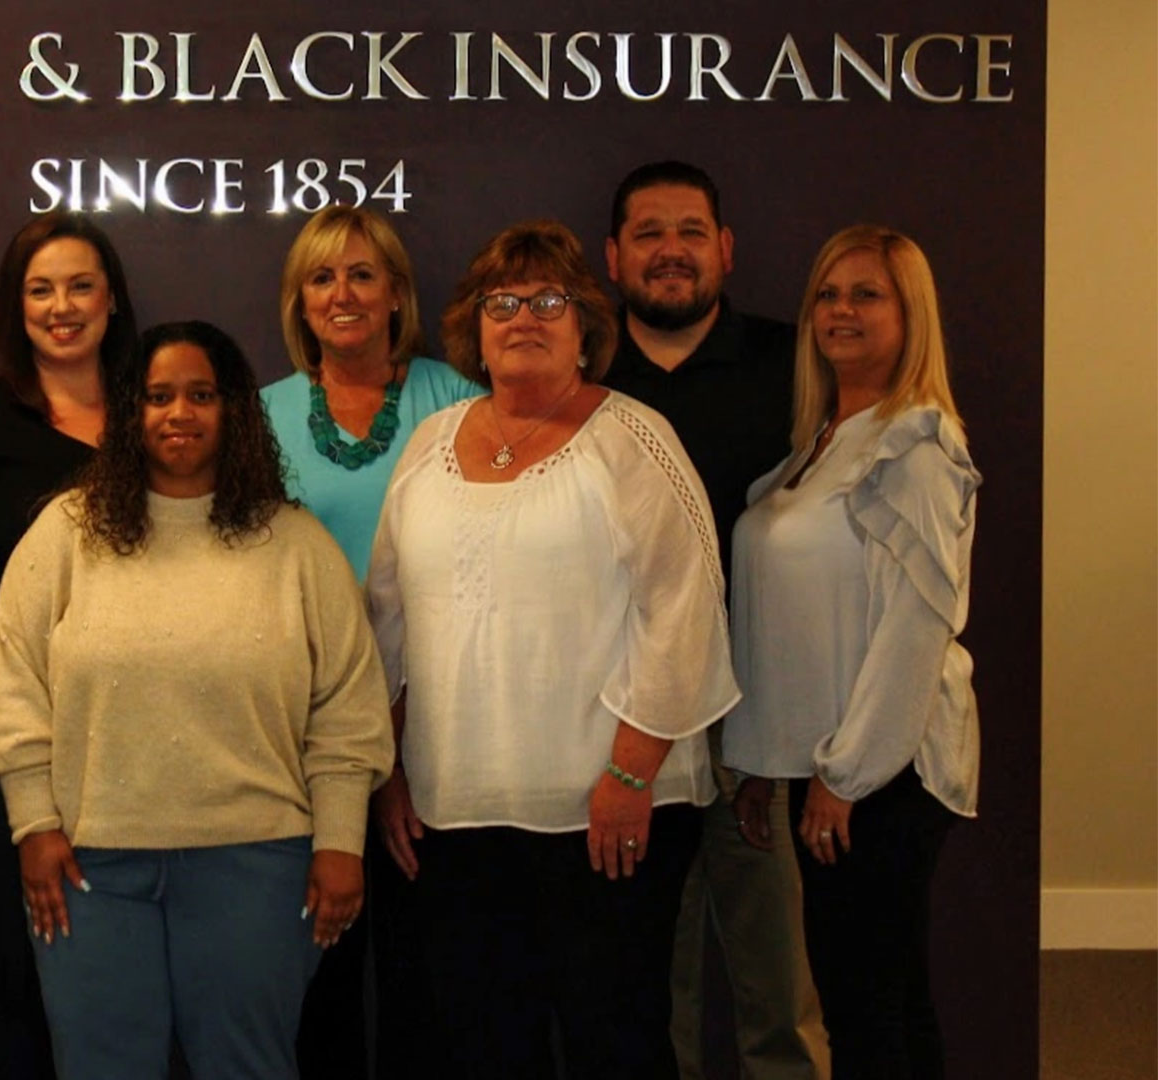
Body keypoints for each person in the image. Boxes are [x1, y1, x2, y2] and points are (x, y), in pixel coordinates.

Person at [368, 220, 737, 1078]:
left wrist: (631, 776)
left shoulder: (632, 437)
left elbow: (684, 612)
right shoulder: (429, 445)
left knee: (616, 1044)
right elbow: (387, 617)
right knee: (486, 1048)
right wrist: (389, 769)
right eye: (502, 302)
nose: (523, 318)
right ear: (474, 325)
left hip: (606, 814)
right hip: (454, 814)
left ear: (585, 325)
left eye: (547, 300)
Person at [0, 320, 395, 1080]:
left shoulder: (294, 543)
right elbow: (11, 680)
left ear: (234, 409)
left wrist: (342, 837)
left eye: (202, 395)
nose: (180, 413)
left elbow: (347, 705)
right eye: (158, 396)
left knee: (248, 1067)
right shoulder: (67, 533)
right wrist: (33, 821)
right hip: (90, 867)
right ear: (128, 412)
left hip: (257, 864)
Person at [723, 226, 979, 1080]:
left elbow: (915, 630)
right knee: (873, 996)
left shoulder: (915, 445)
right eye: (828, 295)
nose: (841, 310)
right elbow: (789, 623)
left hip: (885, 773)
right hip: (830, 768)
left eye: (867, 294)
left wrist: (848, 776)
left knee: (872, 1007)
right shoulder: (826, 442)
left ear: (911, 316)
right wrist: (764, 762)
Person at [600, 161, 826, 1080]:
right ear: (613, 257)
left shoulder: (795, 365)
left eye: (690, 231)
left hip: (754, 719)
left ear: (725, 249)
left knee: (777, 990)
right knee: (648, 996)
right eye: (648, 233)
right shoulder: (580, 373)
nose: (671, 251)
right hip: (625, 719)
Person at [257, 203, 480, 1079]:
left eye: (361, 274)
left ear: (396, 294)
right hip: (307, 735)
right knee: (321, 984)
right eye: (321, 277)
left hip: (437, 722)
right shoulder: (260, 416)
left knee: (434, 978)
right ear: (299, 301)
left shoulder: (456, 402)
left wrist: (405, 727)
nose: (342, 294)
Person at [0, 210, 137, 1080]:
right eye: (40, 290)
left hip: (138, 749)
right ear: (16, 307)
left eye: (81, 285)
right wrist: (43, 709)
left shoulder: (157, 415)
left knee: (122, 989)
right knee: (17, 978)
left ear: (113, 298)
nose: (62, 306)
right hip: (8, 752)